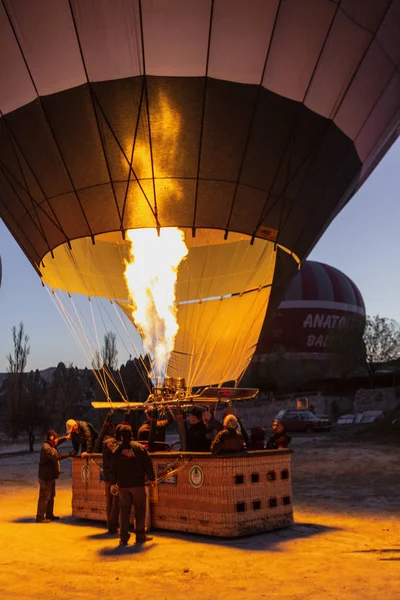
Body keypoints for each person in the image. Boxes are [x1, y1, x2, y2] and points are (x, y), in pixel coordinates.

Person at [109, 424, 156, 546]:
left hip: (123, 485)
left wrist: (113, 483)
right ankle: (140, 535)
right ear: (131, 433)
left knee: (124, 511)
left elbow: (112, 468)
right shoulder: (139, 448)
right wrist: (152, 479)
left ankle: (123, 538)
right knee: (140, 509)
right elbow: (147, 464)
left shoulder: (116, 451)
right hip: (138, 484)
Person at [36, 429, 74, 523]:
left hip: (51, 476)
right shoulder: (47, 448)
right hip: (46, 477)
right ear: (51, 438)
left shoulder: (51, 444)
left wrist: (66, 438)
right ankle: (40, 517)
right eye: (56, 439)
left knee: (51, 495)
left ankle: (49, 514)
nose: (57, 441)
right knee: (45, 496)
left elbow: (58, 441)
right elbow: (56, 456)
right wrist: (70, 454)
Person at [102, 423, 119, 534]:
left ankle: (110, 525)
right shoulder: (111, 444)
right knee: (114, 503)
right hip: (113, 478)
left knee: (109, 502)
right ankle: (113, 526)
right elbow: (112, 464)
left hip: (108, 477)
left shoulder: (104, 443)